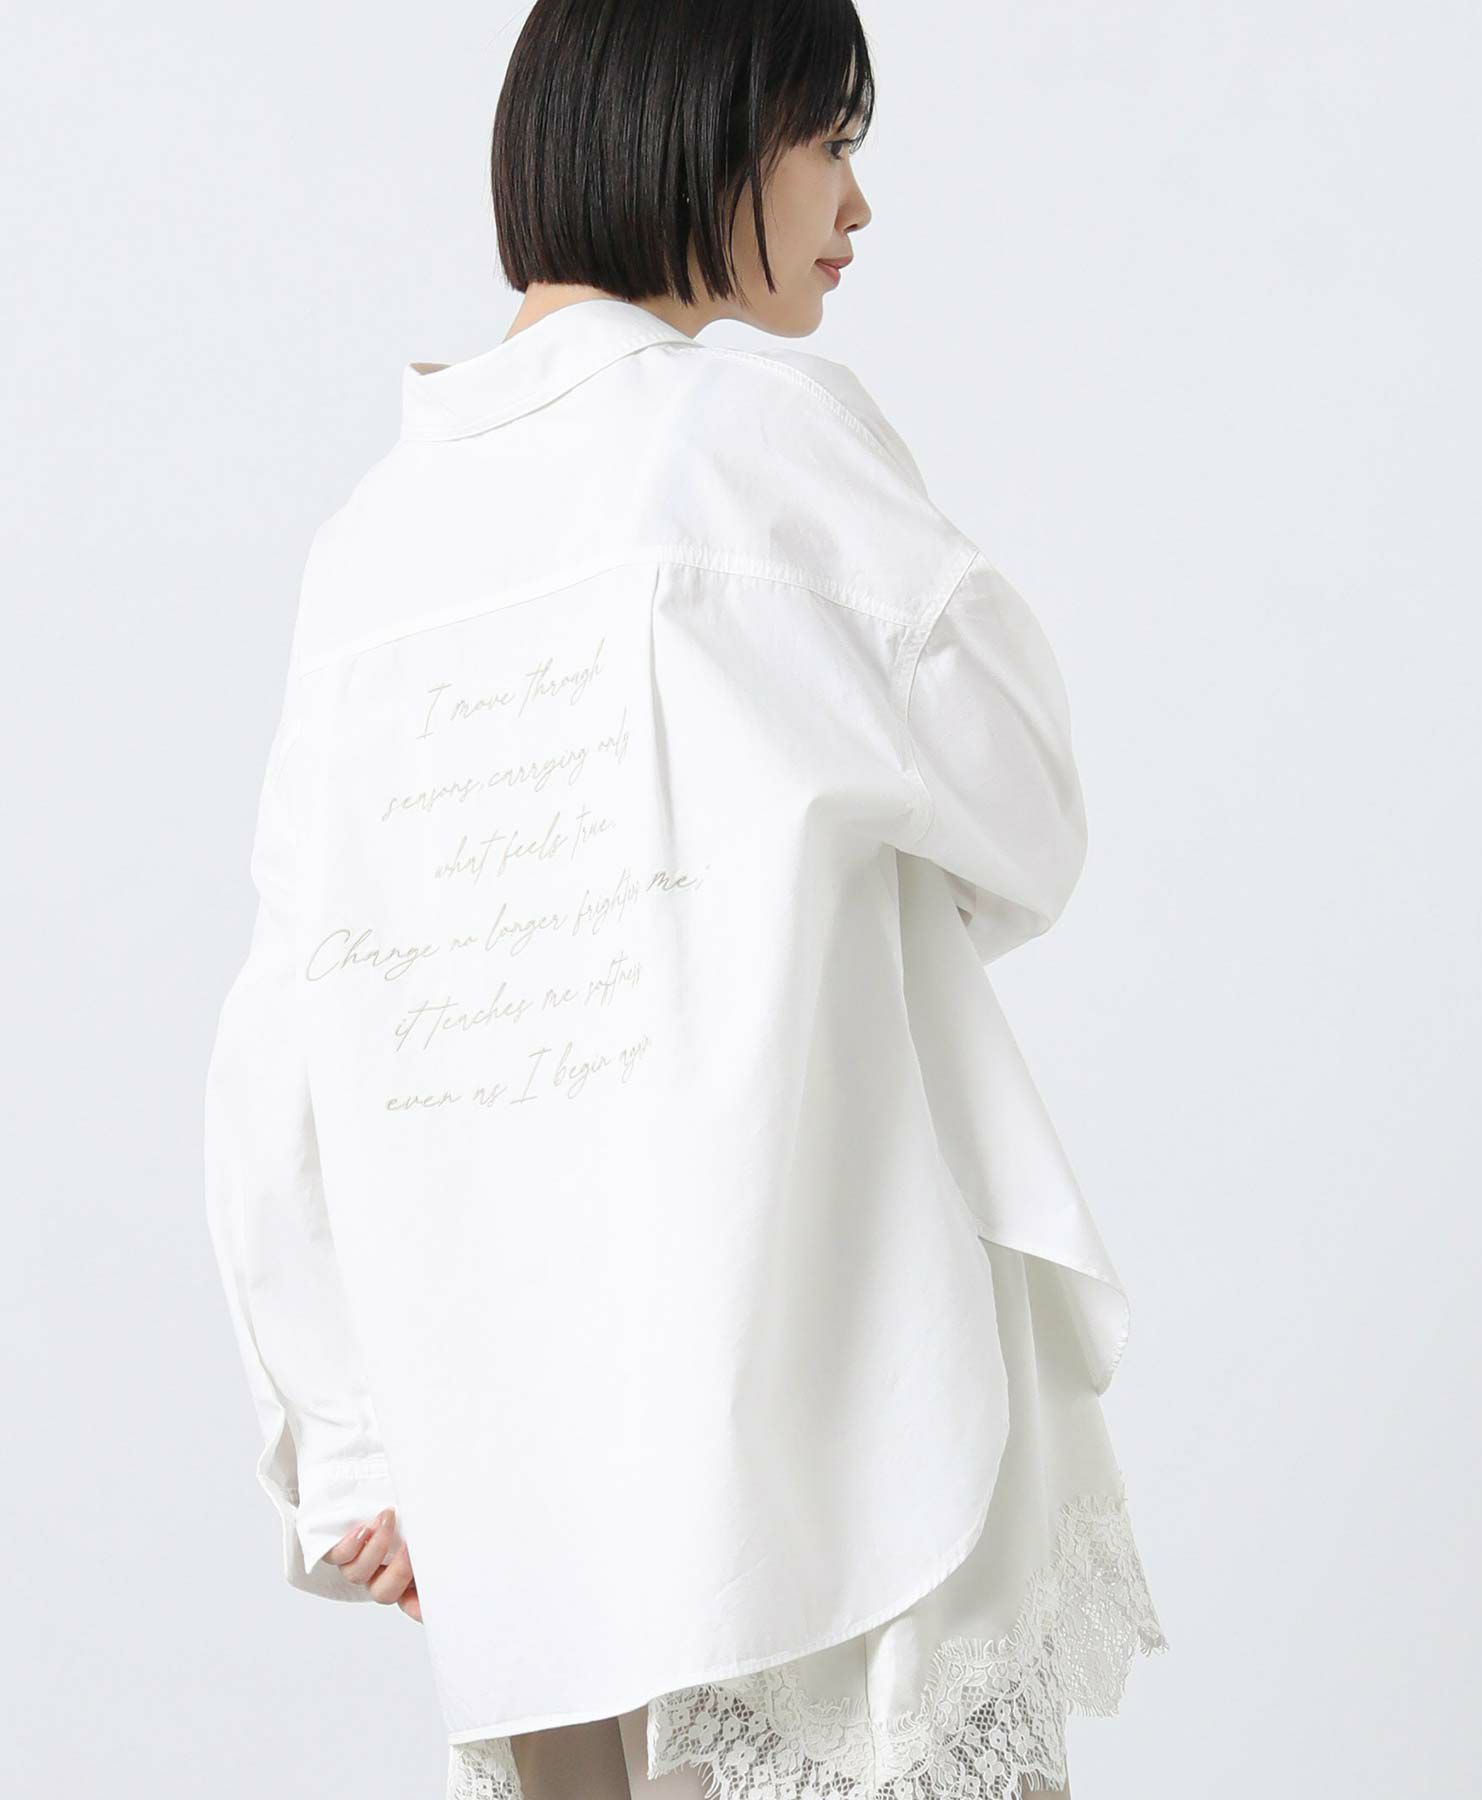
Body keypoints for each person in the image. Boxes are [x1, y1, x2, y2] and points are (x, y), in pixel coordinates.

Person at [202, 3, 1168, 1797]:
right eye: (830, 139)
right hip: (824, 1423)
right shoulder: (746, 441)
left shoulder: (368, 552)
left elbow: (280, 1051)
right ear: (703, 127)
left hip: (519, 1491)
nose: (857, 204)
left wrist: (350, 1450)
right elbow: (1025, 799)